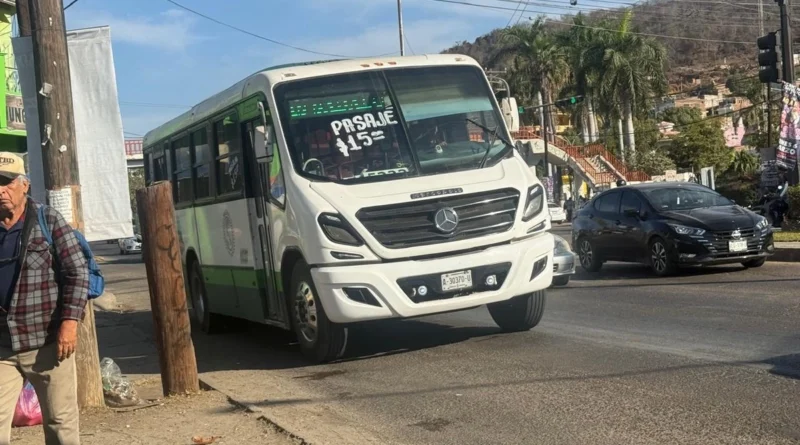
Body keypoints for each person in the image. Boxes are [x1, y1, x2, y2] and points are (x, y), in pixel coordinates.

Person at [0, 152, 88, 445]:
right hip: (2, 346)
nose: (1, 190)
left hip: (47, 341)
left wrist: (70, 323)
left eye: (7, 182)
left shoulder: (46, 219)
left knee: (61, 424)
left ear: (24, 185)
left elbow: (77, 271)